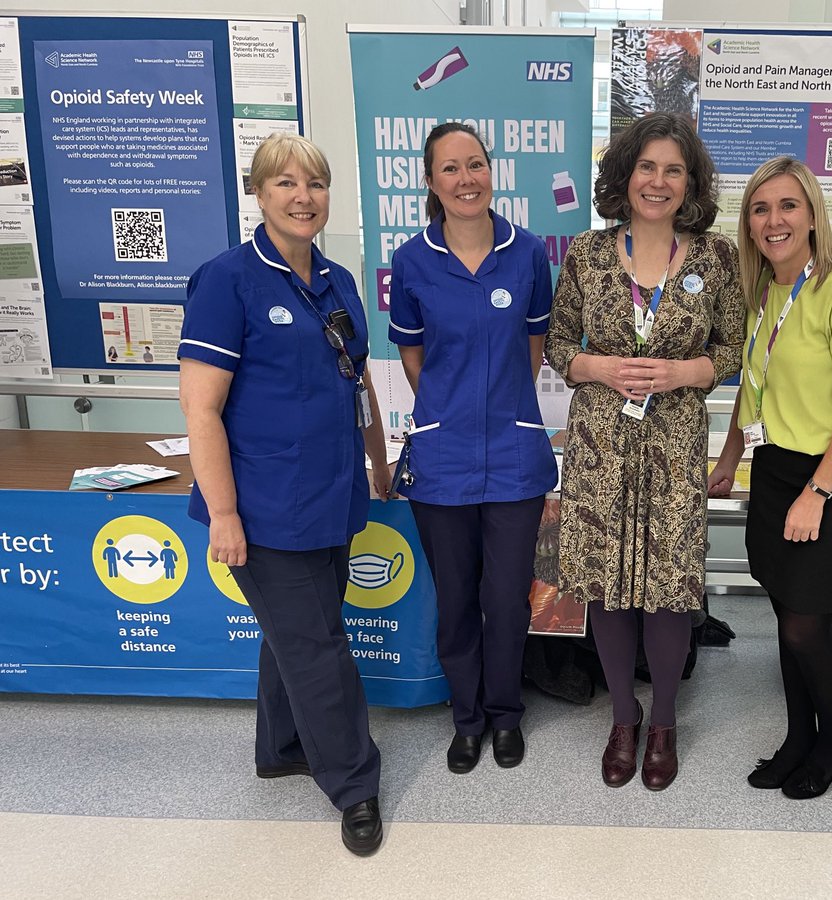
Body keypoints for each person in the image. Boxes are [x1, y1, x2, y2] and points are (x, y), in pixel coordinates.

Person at [178, 133, 390, 855]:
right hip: (264, 510)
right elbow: (201, 408)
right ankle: (355, 785)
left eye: (316, 184)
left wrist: (380, 465)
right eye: (285, 184)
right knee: (320, 648)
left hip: (332, 496)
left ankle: (281, 747)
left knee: (298, 635)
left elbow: (357, 383)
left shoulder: (336, 280)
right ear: (259, 194)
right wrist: (227, 514)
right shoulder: (227, 280)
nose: (304, 197)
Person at [546, 112, 744, 791]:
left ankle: (663, 721)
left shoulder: (716, 258)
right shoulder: (588, 254)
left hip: (676, 448)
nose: (658, 181)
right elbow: (558, 347)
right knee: (608, 585)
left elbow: (732, 347)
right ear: (625, 176)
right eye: (647, 167)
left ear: (689, 182)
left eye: (673, 169)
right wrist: (599, 368)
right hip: (601, 446)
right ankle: (621, 718)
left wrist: (685, 373)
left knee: (666, 589)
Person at [708, 156, 832, 800]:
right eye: (760, 209)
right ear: (749, 224)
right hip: (776, 470)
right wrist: (729, 458)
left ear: (812, 215)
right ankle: (796, 737)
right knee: (787, 611)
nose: (774, 220)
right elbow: (750, 390)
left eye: (788, 206)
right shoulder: (764, 293)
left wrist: (816, 494)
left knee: (805, 623)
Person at [389, 122, 557, 775]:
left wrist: (497, 401)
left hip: (514, 457)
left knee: (507, 597)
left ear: (493, 170)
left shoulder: (527, 253)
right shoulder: (412, 260)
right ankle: (467, 720)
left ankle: (506, 714)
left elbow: (534, 347)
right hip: (443, 458)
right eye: (451, 169)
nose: (466, 179)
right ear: (430, 182)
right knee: (455, 598)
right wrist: (451, 407)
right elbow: (412, 353)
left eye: (476, 164)